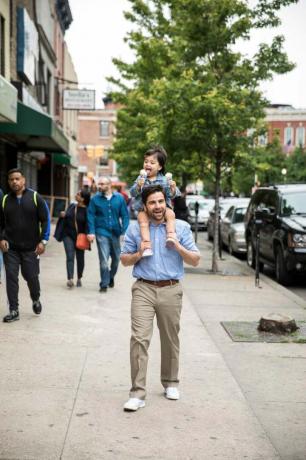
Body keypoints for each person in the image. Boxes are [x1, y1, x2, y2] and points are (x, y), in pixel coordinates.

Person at [121, 185, 200, 412]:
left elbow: (195, 260)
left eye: (160, 202)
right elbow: (124, 259)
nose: (157, 207)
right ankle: (137, 393)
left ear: (167, 202)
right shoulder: (136, 229)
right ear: (145, 206)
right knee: (139, 339)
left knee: (170, 338)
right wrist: (138, 254)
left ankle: (171, 382)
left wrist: (177, 247)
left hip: (171, 289)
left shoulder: (181, 228)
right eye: (152, 203)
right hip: (143, 288)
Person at [0, 169, 50, 323]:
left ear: (23, 180)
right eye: (11, 180)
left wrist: (43, 241)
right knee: (11, 278)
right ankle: (14, 310)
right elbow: (1, 223)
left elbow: (45, 220)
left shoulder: (35, 197)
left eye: (17, 179)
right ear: (8, 182)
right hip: (11, 248)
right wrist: (1, 238)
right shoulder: (5, 200)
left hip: (31, 248)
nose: (14, 182)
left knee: (31, 277)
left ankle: (35, 298)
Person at [130, 146, 180, 257]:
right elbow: (132, 193)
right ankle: (147, 246)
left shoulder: (164, 180)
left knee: (171, 214)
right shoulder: (140, 179)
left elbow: (172, 195)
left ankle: (171, 236)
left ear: (160, 167)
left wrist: (172, 188)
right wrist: (138, 186)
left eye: (152, 163)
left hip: (163, 209)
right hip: (144, 209)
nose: (148, 164)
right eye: (146, 161)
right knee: (142, 221)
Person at [87, 176, 129, 292]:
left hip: (116, 233)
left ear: (109, 185)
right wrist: (91, 232)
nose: (99, 186)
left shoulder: (119, 198)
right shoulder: (95, 199)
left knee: (116, 260)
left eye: (102, 184)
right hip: (102, 232)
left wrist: (124, 232)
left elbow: (125, 215)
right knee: (104, 260)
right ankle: (104, 284)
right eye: (99, 184)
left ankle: (111, 277)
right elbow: (90, 215)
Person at [60, 189, 91, 288]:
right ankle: (70, 279)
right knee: (70, 256)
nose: (76, 195)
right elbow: (67, 215)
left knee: (80, 258)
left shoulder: (88, 210)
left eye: (78, 194)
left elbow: (89, 225)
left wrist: (89, 235)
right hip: (68, 235)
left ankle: (79, 278)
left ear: (83, 199)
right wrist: (63, 214)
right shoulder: (72, 206)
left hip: (81, 237)